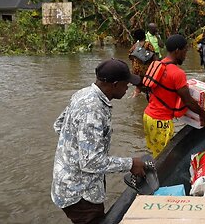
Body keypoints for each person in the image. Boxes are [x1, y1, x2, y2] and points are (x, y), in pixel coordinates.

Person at [51, 58, 147, 224]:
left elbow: (59, 126)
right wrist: (131, 163)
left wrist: (76, 151)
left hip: (65, 181)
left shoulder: (83, 94)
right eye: (126, 84)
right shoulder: (93, 110)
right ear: (115, 84)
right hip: (79, 194)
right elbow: (91, 162)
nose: (128, 88)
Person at [143, 34, 205, 158]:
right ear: (177, 51)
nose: (186, 54)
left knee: (156, 153)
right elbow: (188, 101)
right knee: (164, 158)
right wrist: (204, 114)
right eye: (185, 50)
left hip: (148, 116)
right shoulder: (178, 73)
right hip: (161, 121)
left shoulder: (159, 64)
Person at [128, 29, 158, 98]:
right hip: (146, 69)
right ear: (144, 36)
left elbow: (130, 56)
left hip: (136, 70)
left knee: (138, 87)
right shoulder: (147, 44)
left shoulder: (135, 45)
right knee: (149, 86)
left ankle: (134, 97)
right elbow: (153, 56)